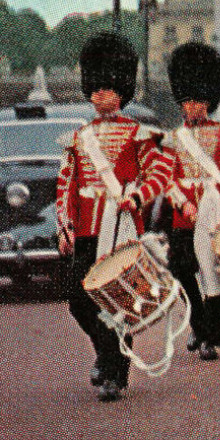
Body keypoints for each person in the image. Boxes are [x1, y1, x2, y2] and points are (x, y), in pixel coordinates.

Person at [54, 33, 171, 401]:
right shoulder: (78, 138)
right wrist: (65, 225)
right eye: (96, 89)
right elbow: (66, 185)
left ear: (121, 91)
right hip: (88, 226)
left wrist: (138, 197)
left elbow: (160, 172)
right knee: (78, 300)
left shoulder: (137, 134)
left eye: (108, 89)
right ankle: (106, 354)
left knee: (117, 299)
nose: (101, 95)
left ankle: (115, 373)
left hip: (120, 225)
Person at [159, 42, 220, 362]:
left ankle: (211, 336)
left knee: (210, 272)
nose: (194, 107)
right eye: (188, 101)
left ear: (208, 100)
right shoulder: (173, 138)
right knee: (181, 269)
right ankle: (198, 321)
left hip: (214, 207)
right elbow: (166, 176)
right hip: (185, 211)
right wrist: (181, 202)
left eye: (199, 100)